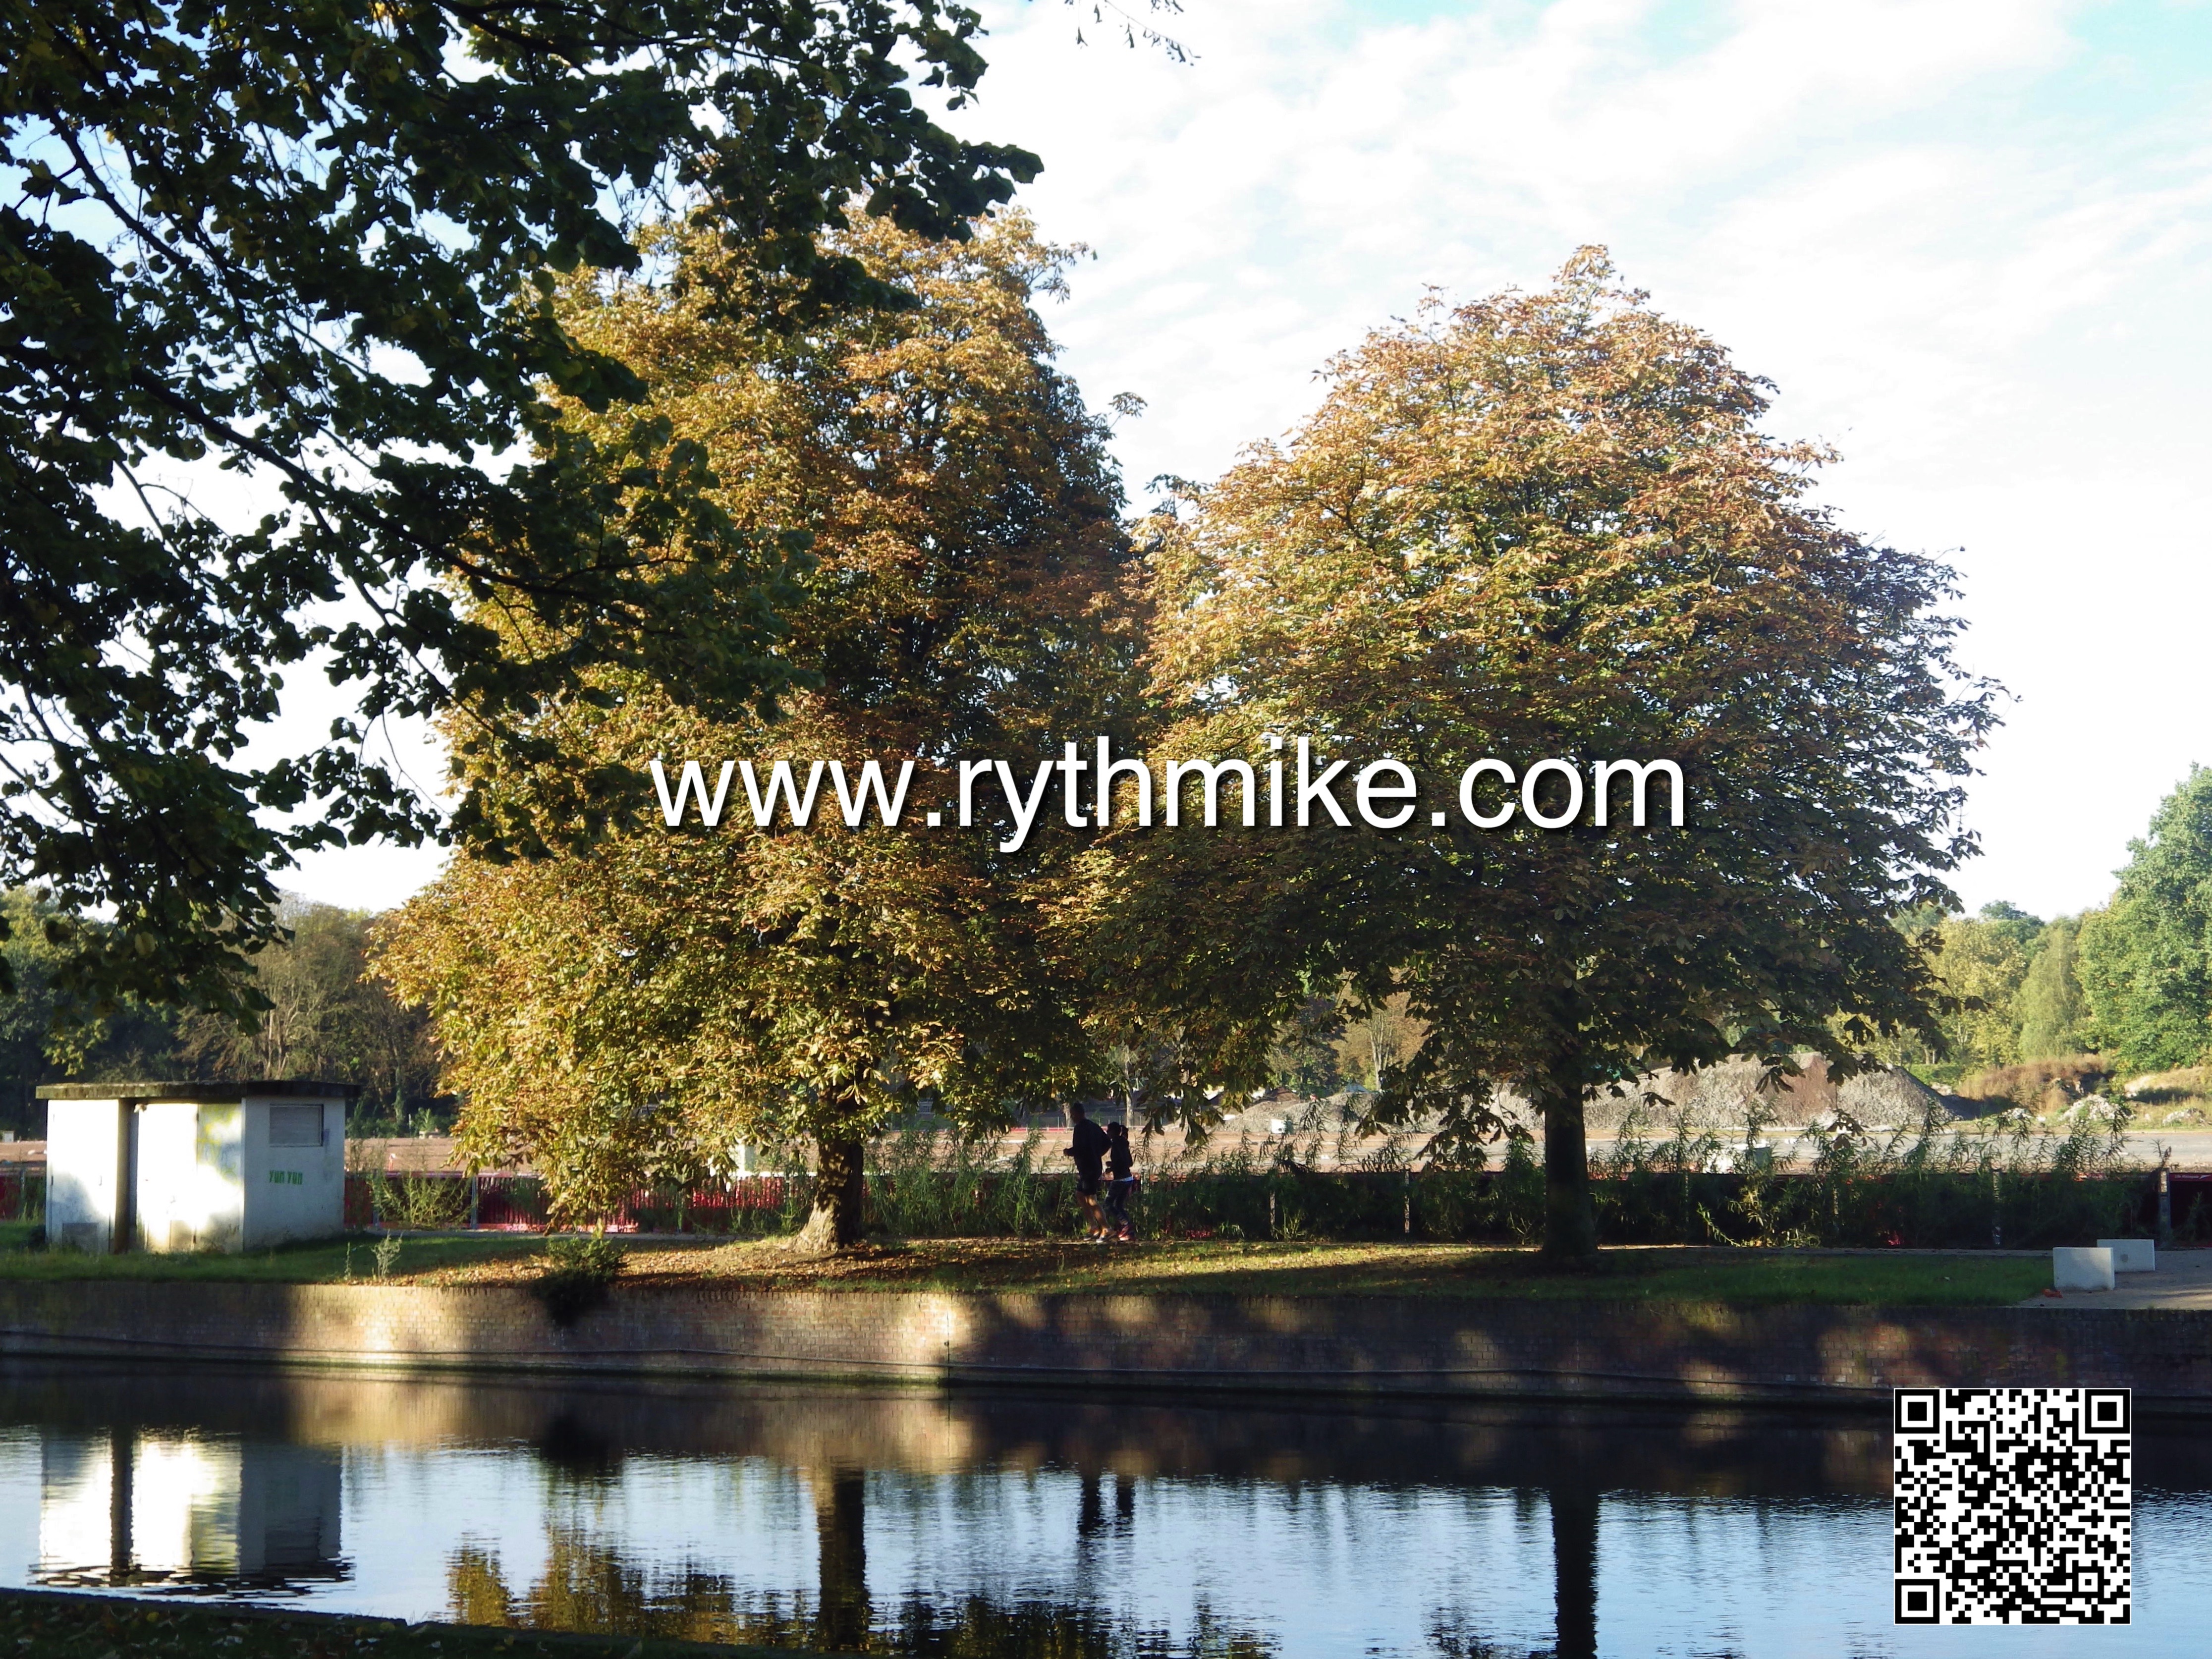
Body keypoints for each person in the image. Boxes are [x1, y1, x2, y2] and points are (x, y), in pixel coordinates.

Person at [1064, 1102, 1111, 1241]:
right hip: (1092, 1167)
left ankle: (1106, 1228)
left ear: (1078, 1114)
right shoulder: (1094, 1126)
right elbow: (1107, 1143)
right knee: (1080, 1195)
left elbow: (1080, 1148)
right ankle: (1093, 1227)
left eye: (1072, 1115)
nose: (1072, 1118)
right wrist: (1097, 1154)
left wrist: (1069, 1152)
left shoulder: (1080, 1128)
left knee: (1091, 1199)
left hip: (1088, 1169)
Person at [1105, 1120, 1138, 1243]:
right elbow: (1129, 1163)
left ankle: (1126, 1224)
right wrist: (1113, 1165)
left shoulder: (1117, 1144)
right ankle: (1130, 1232)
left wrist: (1111, 1168)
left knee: (1108, 1203)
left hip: (1120, 1179)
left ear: (1113, 1132)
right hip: (1129, 1178)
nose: (1107, 1133)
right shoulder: (1124, 1143)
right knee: (1119, 1205)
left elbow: (1121, 1163)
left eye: (1108, 1131)